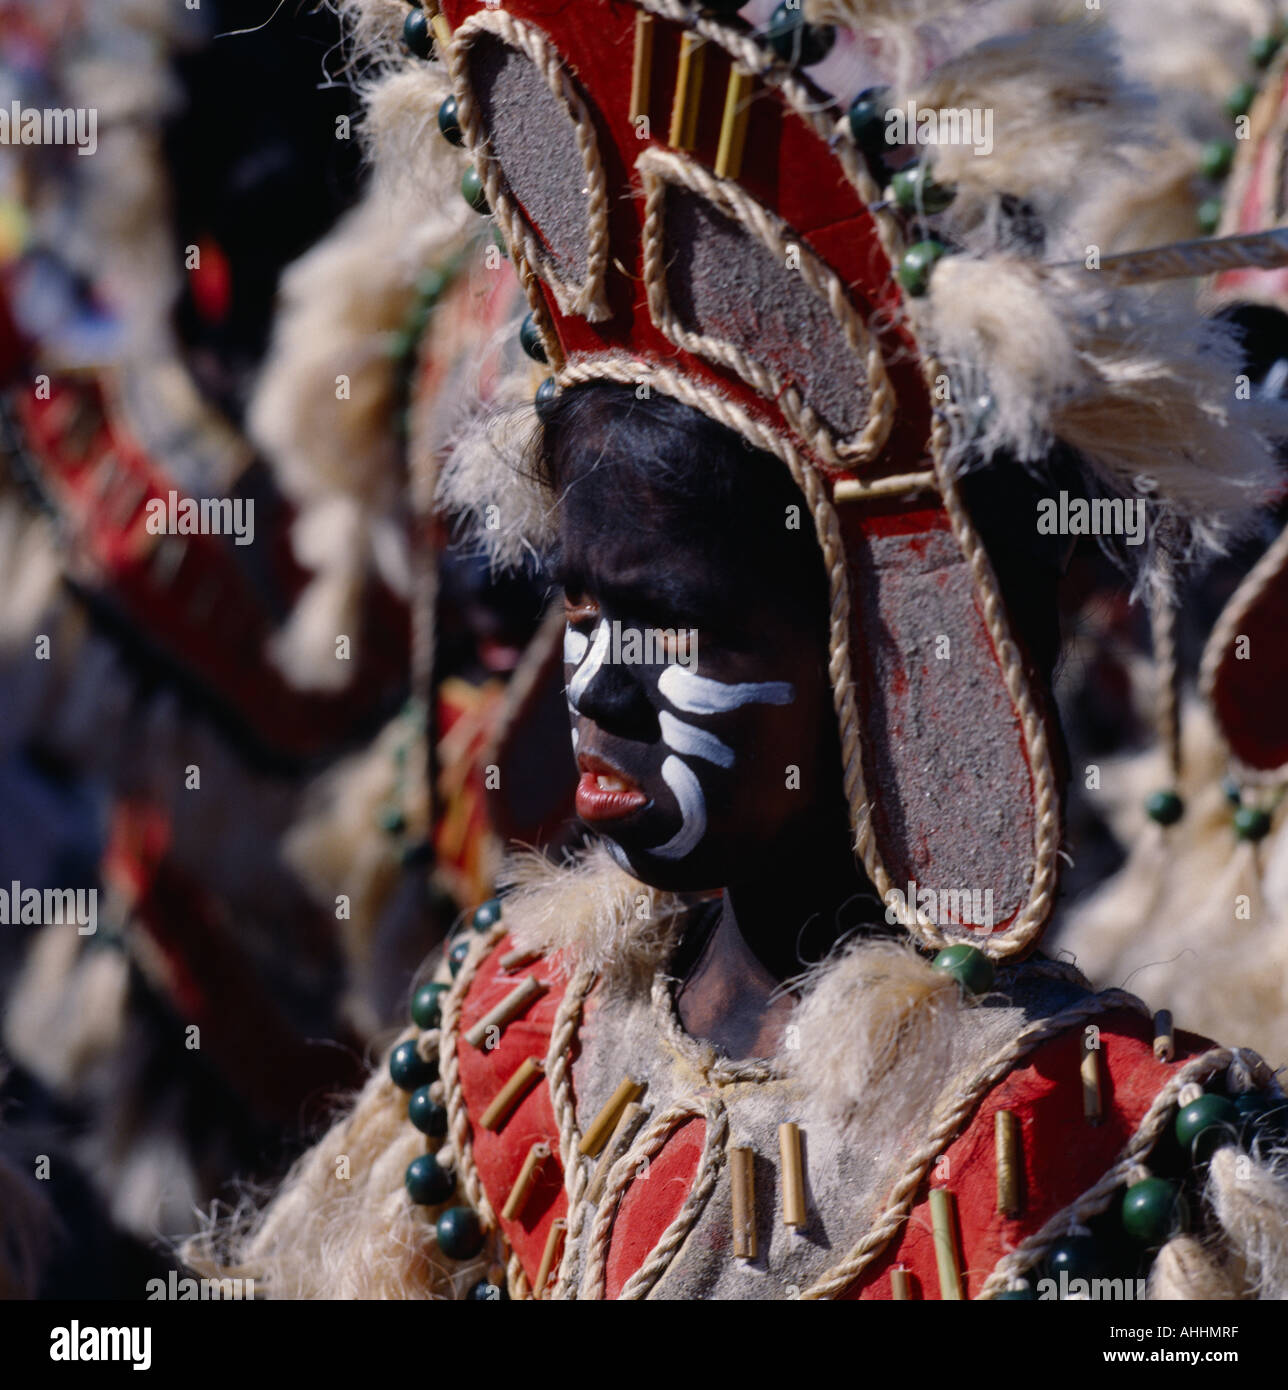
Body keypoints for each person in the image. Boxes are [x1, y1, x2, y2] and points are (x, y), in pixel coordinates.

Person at [186, 0, 1288, 1299]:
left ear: (899, 656)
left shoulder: (1111, 1161)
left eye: (668, 619)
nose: (595, 684)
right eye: (583, 610)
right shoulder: (510, 1022)